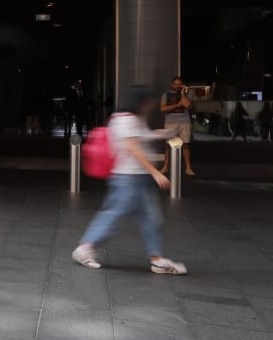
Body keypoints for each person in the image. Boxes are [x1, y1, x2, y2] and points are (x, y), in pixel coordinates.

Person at [72, 86, 188, 275]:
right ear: (140, 101)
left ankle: (157, 259)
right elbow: (133, 149)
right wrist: (155, 173)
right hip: (128, 177)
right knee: (115, 214)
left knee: (149, 218)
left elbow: (140, 139)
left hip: (136, 177)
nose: (151, 105)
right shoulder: (125, 120)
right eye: (148, 101)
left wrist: (160, 134)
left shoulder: (133, 119)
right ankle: (85, 248)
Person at [158, 77, 196, 176]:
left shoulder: (189, 94)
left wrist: (183, 93)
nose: (177, 86)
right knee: (168, 146)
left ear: (182, 85)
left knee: (186, 145)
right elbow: (163, 109)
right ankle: (165, 167)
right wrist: (177, 105)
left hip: (185, 123)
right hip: (170, 123)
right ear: (172, 85)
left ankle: (188, 168)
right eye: (175, 84)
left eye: (180, 84)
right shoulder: (165, 95)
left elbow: (187, 106)